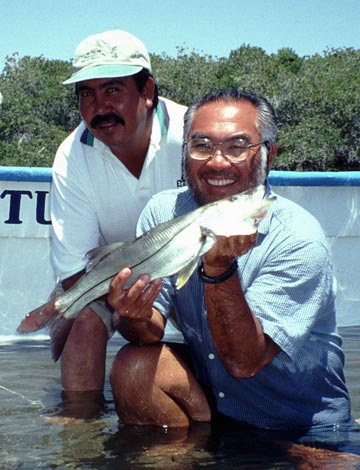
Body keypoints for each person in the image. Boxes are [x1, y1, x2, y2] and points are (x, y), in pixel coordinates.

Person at [107, 89, 354, 432]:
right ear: (184, 154)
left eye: (237, 147)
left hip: (300, 429)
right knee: (132, 367)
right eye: (202, 145)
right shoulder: (164, 214)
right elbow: (147, 330)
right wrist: (129, 315)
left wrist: (220, 269)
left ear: (269, 155)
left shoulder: (299, 239)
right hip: (217, 412)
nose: (217, 162)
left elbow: (243, 362)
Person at [50, 29, 187, 396]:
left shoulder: (194, 135)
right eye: (86, 94)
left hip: (194, 271)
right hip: (115, 279)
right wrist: (126, 301)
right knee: (81, 318)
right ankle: (80, 436)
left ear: (147, 92)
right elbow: (72, 274)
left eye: (112, 89)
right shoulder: (70, 156)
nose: (99, 107)